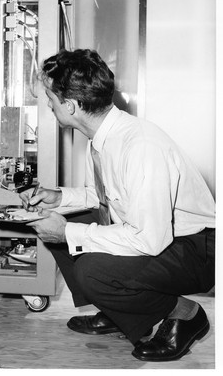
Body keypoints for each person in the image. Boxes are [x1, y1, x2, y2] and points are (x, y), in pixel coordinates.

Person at [19, 48, 215, 362]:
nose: (48, 104)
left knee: (91, 268)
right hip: (161, 237)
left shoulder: (140, 146)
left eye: (49, 98)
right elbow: (101, 197)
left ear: (70, 105)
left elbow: (149, 239)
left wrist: (70, 231)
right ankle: (119, 310)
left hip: (198, 248)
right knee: (58, 222)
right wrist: (57, 198)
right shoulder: (101, 135)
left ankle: (186, 314)